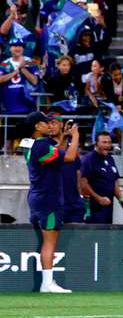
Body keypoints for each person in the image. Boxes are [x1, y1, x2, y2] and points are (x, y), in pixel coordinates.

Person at [21, 111, 80, 293]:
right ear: (37, 127)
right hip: (49, 198)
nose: (49, 125)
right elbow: (68, 158)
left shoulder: (29, 144)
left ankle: (47, 282)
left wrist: (63, 137)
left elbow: (55, 154)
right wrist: (75, 137)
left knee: (46, 241)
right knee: (49, 242)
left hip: (36, 196)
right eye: (46, 123)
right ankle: (47, 283)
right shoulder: (42, 145)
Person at [80, 131, 123, 224]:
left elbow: (114, 182)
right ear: (96, 143)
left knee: (106, 235)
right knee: (94, 236)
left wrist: (121, 200)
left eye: (109, 142)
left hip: (108, 208)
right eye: (104, 142)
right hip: (92, 208)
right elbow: (83, 184)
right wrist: (99, 199)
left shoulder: (110, 158)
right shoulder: (88, 159)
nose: (107, 145)